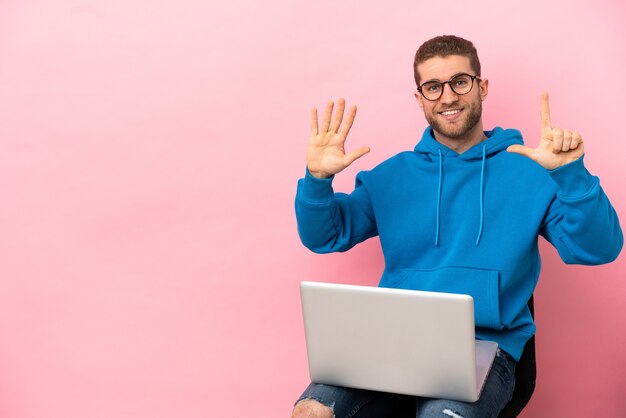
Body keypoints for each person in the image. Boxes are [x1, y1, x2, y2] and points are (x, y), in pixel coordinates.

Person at [292, 35, 623, 418]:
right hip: (391, 341)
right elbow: (325, 236)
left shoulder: (531, 171)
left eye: (459, 82)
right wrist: (317, 179)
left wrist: (571, 175)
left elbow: (599, 249)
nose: (447, 97)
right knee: (312, 411)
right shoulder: (391, 175)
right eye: (433, 87)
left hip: (481, 346)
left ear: (481, 87)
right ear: (420, 99)